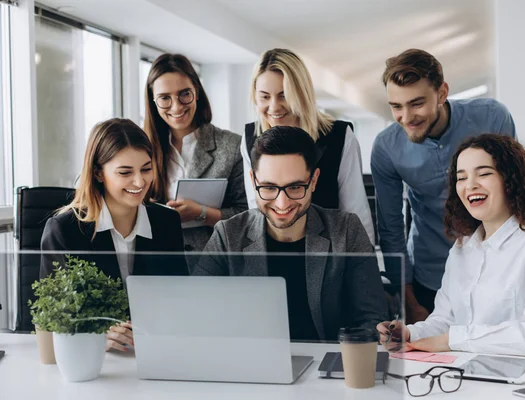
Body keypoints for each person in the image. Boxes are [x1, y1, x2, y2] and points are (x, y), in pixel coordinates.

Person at [377, 134, 525, 356]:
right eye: (461, 177)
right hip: (480, 374)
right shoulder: (461, 250)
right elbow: (446, 320)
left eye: (484, 173)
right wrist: (411, 333)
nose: (470, 185)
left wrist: (454, 340)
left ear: (510, 180)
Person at [198, 126, 387, 341]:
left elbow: (372, 317)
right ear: (253, 180)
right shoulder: (228, 235)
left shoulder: (346, 230)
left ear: (313, 180)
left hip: (328, 363)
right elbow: (199, 314)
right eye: (269, 187)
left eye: (295, 187)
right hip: (251, 364)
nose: (282, 203)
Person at [371, 49, 516, 323]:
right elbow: (390, 228)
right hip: (431, 275)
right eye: (396, 106)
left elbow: (514, 194)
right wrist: (408, 301)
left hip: (497, 270)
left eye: (416, 103)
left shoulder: (492, 118)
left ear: (442, 93)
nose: (406, 117)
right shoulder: (386, 148)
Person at [40, 118, 189, 352]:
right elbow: (54, 315)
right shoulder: (65, 230)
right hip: (91, 358)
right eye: (125, 172)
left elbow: (179, 299)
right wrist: (96, 331)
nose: (140, 182)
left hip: (156, 350)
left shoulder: (166, 222)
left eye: (146, 169)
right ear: (99, 173)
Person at [241, 48, 375, 245]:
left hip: (331, 251)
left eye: (284, 95)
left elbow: (355, 210)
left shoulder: (339, 136)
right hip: (272, 249)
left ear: (301, 93)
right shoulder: (250, 138)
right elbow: (256, 208)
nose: (274, 107)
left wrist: (366, 262)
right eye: (264, 97)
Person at [144, 53, 247, 252]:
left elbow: (247, 215)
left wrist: (202, 214)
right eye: (165, 98)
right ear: (153, 101)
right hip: (158, 261)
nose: (176, 106)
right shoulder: (142, 148)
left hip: (214, 260)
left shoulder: (232, 146)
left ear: (197, 92)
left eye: (184, 94)